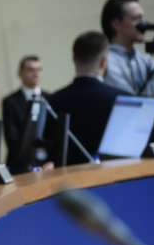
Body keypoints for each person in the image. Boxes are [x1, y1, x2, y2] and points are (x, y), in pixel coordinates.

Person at [47, 32, 128, 166]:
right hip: (114, 174)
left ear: (73, 59)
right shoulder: (123, 99)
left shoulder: (53, 100)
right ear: (103, 62)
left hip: (67, 177)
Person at [101, 0, 154, 98]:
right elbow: (133, 105)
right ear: (116, 24)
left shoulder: (145, 60)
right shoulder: (107, 62)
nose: (144, 24)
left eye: (142, 18)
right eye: (136, 19)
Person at [2, 55, 43, 168]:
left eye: (38, 69)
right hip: (19, 162)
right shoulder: (10, 101)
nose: (36, 74)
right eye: (31, 70)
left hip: (46, 161)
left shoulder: (50, 98)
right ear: (20, 73)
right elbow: (11, 136)